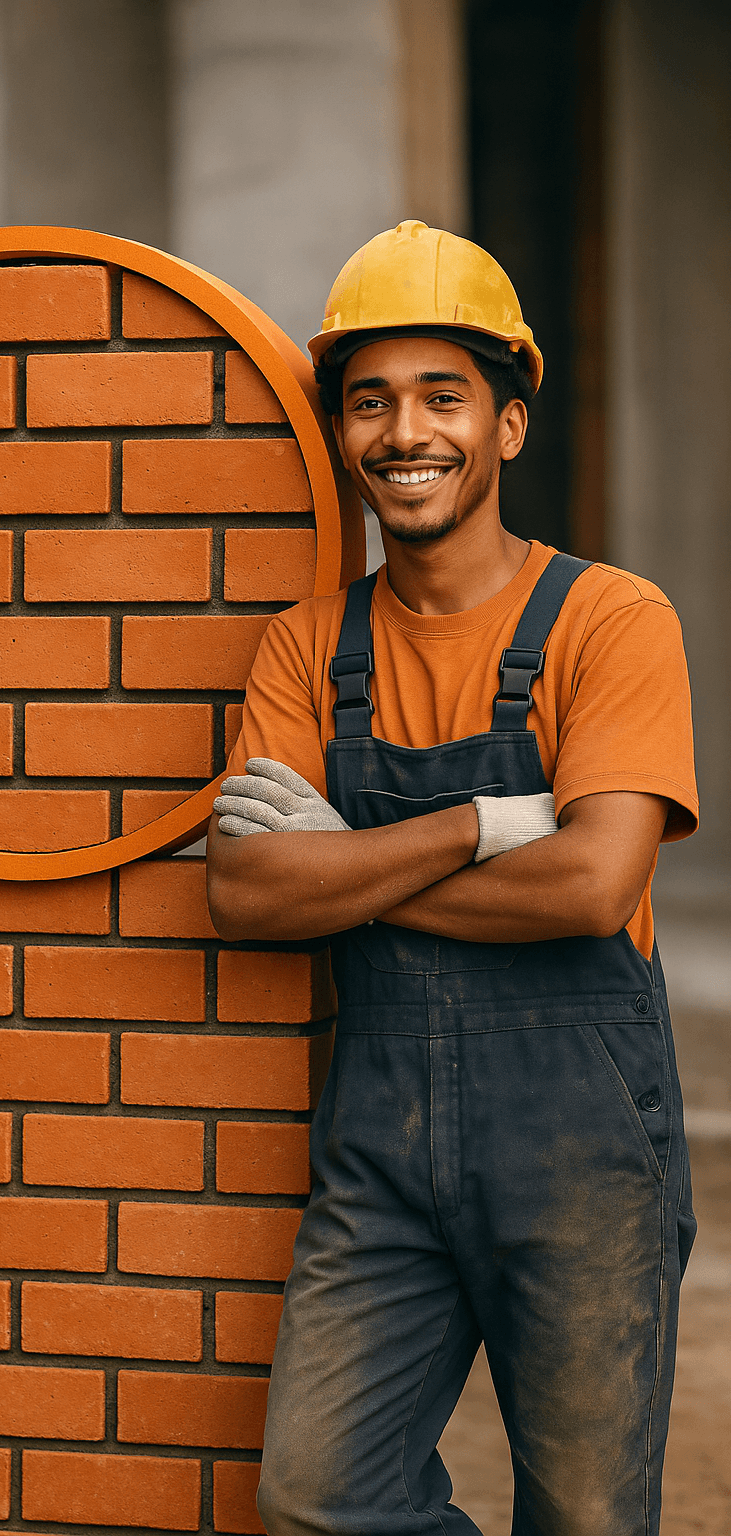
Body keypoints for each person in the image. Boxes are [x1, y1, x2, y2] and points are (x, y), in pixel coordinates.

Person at [206, 221, 698, 1536]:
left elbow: (593, 885)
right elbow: (246, 896)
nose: (403, 432)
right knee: (318, 1497)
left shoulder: (613, 620)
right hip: (381, 1157)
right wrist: (477, 823)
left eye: (442, 397)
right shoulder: (308, 646)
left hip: (584, 1154)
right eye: (370, 402)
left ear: (509, 425)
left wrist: (343, 865)